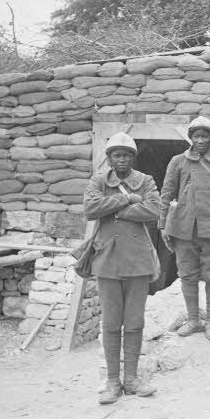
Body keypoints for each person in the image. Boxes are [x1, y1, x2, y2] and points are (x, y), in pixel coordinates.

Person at [84, 132, 163, 404]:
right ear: (109, 158)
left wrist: (114, 212)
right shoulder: (98, 181)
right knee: (110, 324)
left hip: (137, 261)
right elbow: (90, 209)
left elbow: (154, 211)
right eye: (117, 155)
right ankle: (112, 382)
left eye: (127, 155)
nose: (122, 159)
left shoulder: (146, 181)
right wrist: (127, 200)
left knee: (134, 323)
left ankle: (131, 379)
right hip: (107, 260)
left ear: (133, 158)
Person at [159, 116, 210, 342]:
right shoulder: (178, 161)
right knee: (187, 275)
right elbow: (166, 194)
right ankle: (193, 320)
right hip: (184, 227)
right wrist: (163, 225)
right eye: (196, 136)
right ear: (190, 138)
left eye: (205, 136)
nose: (200, 140)